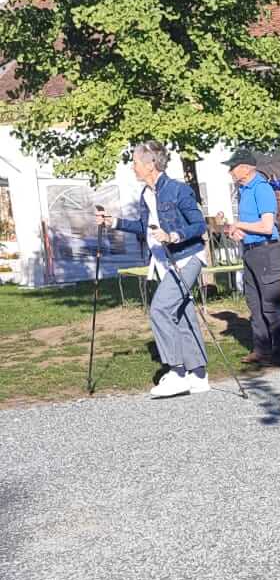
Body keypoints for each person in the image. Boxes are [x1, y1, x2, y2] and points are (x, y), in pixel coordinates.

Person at [96, 141, 210, 398]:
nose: (132, 167)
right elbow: (144, 227)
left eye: (135, 162)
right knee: (181, 314)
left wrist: (173, 235)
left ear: (150, 164)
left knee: (160, 309)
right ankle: (199, 375)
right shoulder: (145, 194)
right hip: (163, 263)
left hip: (187, 258)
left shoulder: (178, 190)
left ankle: (178, 372)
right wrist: (113, 222)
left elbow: (199, 225)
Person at [221, 150, 280, 367]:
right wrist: (235, 231)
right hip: (250, 249)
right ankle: (261, 349)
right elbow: (251, 226)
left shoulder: (262, 189)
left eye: (232, 167)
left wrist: (240, 225)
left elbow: (267, 226)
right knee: (254, 302)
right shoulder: (243, 190)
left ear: (245, 167)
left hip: (265, 251)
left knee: (269, 302)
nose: (230, 171)